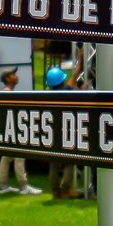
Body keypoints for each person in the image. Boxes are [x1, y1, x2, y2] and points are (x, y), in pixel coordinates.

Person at [0, 67, 42, 195]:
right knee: (19, 157)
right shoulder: (7, 92)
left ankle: (3, 186)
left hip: (8, 130)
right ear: (7, 78)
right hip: (13, 130)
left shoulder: (7, 91)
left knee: (6, 157)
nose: (16, 76)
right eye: (13, 74)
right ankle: (24, 186)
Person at [44, 66, 79, 200]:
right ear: (61, 82)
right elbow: (74, 77)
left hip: (51, 134)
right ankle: (65, 190)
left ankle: (55, 192)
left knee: (53, 165)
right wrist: (81, 59)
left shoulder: (47, 96)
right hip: (65, 133)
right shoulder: (65, 92)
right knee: (69, 162)